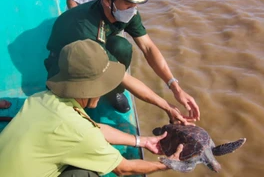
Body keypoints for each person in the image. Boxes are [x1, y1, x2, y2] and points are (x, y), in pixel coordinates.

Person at [0, 39, 183, 177]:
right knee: (86, 173)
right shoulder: (80, 132)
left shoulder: (40, 98)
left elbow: (92, 128)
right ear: (88, 88)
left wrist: (141, 141)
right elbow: (123, 168)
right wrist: (167, 164)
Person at [44, 0, 200, 125]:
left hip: (96, 45)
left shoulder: (124, 11)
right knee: (85, 103)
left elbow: (148, 47)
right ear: (107, 0)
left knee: (122, 46)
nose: (133, 10)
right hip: (64, 61)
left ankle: (114, 91)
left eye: (135, 5)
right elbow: (122, 76)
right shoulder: (86, 27)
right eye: (129, 5)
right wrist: (166, 106)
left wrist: (175, 87)